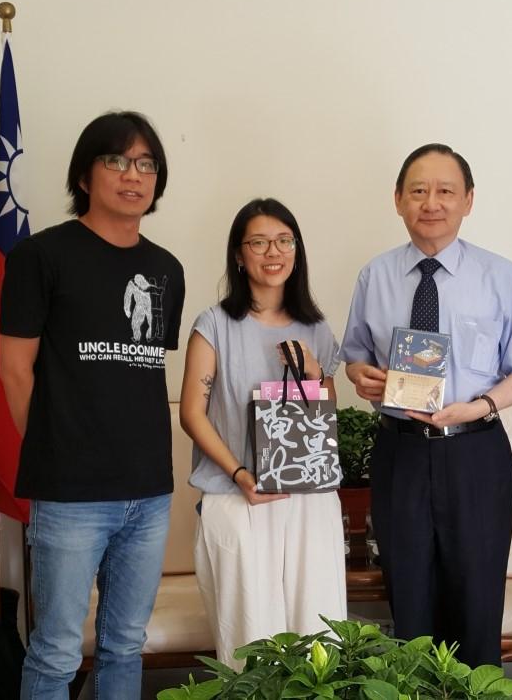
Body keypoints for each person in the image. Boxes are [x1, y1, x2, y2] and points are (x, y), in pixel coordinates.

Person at [0, 111, 185, 700]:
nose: (133, 175)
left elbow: (143, 368)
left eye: (146, 164)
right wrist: (58, 448)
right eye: (117, 161)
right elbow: (14, 369)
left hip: (149, 492)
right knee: (55, 651)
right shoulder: (41, 257)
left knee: (125, 645)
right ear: (86, 173)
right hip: (71, 493)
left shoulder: (165, 269)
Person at [341, 143, 512, 667]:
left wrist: (479, 405)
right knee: (409, 600)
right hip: (400, 452)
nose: (430, 202)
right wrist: (362, 377)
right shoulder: (376, 275)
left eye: (444, 191)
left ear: (468, 200)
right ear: (398, 200)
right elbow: (355, 359)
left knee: (477, 600)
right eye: (418, 191)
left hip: (475, 452)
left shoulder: (501, 276)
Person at [180, 197, 346, 669]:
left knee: (318, 638)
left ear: (297, 250)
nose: (273, 252)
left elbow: (326, 417)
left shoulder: (316, 328)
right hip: (238, 499)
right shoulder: (214, 324)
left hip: (309, 501)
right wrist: (237, 473)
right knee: (251, 643)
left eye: (284, 240)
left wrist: (313, 371)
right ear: (238, 254)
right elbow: (193, 413)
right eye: (258, 242)